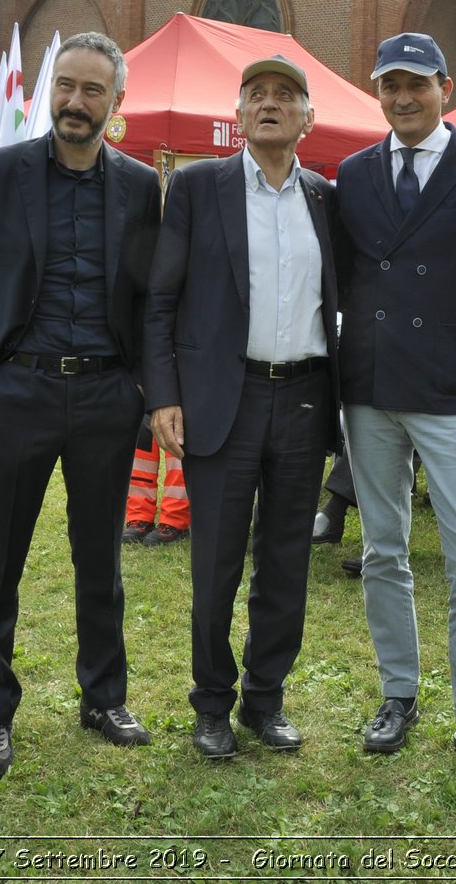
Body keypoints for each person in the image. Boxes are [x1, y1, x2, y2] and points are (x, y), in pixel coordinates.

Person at [0, 31, 162, 780]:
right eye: (66, 86)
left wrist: (139, 386)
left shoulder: (140, 186)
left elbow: (149, 297)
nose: (75, 101)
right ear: (52, 93)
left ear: (116, 102)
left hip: (105, 394)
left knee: (100, 561)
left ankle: (103, 696)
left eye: (92, 89)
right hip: (19, 392)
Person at [334, 31, 456, 783]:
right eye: (390, 85)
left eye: (417, 84)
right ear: (376, 90)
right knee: (383, 550)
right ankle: (399, 692)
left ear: (446, 86)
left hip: (455, 397)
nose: (403, 98)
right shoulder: (350, 175)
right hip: (371, 390)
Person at [146, 54, 341, 759]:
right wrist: (164, 394)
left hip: (304, 398)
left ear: (306, 118)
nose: (269, 103)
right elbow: (161, 298)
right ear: (237, 115)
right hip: (223, 398)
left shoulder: (325, 195)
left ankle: (266, 699)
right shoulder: (201, 187)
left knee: (286, 560)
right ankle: (210, 704)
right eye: (256, 94)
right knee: (217, 563)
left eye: (284, 95)